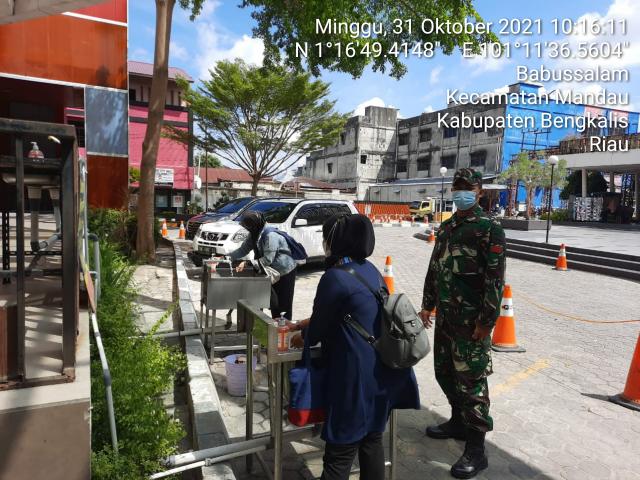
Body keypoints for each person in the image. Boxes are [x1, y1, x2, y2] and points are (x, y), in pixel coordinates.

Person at [290, 214, 420, 480]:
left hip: (355, 377)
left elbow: (317, 331)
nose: (324, 243)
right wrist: (308, 322)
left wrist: (300, 336)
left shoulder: (335, 277)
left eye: (326, 237)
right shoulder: (370, 270)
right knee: (372, 441)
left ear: (337, 240)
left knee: (340, 452)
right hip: (383, 371)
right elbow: (353, 310)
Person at [419, 168, 506, 479]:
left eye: (467, 187)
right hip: (445, 317)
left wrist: (487, 322)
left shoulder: (488, 228)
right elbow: (435, 268)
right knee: (444, 373)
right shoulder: (448, 226)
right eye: (457, 187)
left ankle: (476, 449)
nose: (461, 192)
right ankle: (457, 421)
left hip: (471, 324)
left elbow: (495, 279)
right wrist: (427, 304)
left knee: (472, 383)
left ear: (479, 191)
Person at [229, 211, 297, 320]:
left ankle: (284, 327)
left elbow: (268, 260)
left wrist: (247, 263)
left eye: (248, 226)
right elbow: (243, 250)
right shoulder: (255, 233)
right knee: (274, 304)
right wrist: (226, 258)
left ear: (255, 224)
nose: (247, 229)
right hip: (272, 271)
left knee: (283, 305)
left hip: (285, 272)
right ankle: (275, 325)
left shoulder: (270, 235)